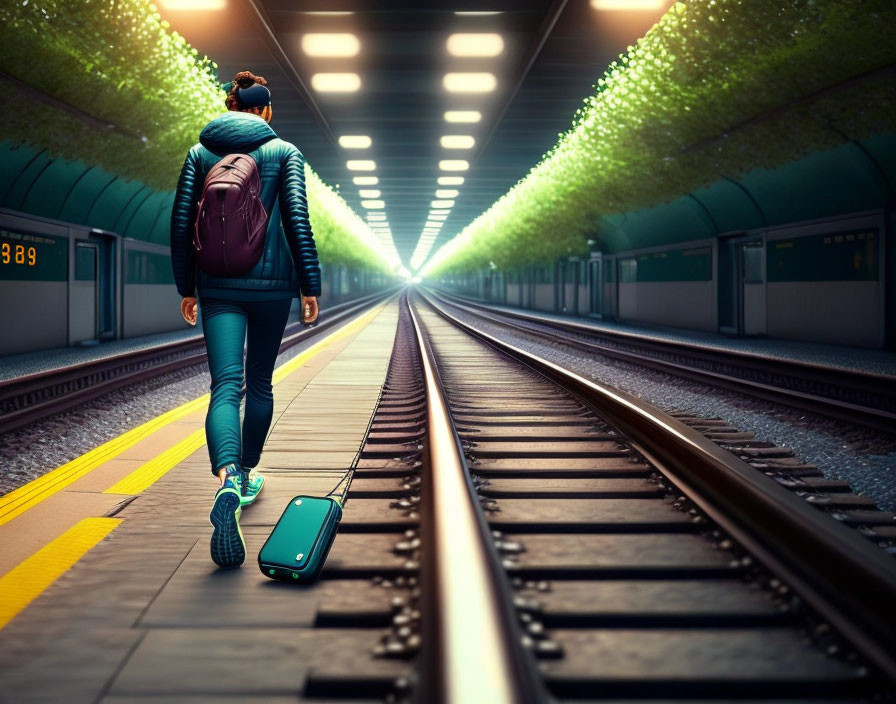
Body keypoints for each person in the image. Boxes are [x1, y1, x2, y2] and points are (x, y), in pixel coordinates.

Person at [169, 70, 321, 568]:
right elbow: (296, 218)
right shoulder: (284, 152)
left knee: (224, 386)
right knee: (259, 382)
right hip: (272, 286)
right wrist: (309, 285)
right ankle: (249, 474)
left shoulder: (200, 153)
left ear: (229, 106)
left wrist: (186, 286)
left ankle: (227, 478)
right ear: (266, 111)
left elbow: (180, 221)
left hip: (216, 285)